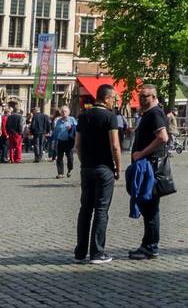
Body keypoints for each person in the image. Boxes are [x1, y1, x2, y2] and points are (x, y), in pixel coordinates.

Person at [75, 86, 122, 264]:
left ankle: (80, 252)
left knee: (85, 209)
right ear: (107, 98)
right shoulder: (110, 117)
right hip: (104, 168)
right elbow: (115, 146)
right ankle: (97, 252)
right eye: (113, 99)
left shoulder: (83, 116)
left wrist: (83, 162)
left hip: (86, 168)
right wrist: (118, 167)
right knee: (101, 210)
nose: (114, 102)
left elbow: (77, 145)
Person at [128, 85, 170, 260]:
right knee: (148, 206)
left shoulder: (155, 114)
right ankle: (147, 244)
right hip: (147, 165)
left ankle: (151, 247)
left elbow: (163, 137)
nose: (141, 99)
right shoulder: (149, 114)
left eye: (145, 96)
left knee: (151, 207)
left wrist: (141, 153)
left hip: (151, 167)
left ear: (153, 97)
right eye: (140, 96)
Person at [54, 105, 78, 178]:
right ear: (60, 113)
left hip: (69, 142)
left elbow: (77, 129)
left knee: (70, 157)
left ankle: (70, 169)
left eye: (65, 111)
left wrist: (72, 128)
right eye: (62, 112)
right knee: (59, 158)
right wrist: (54, 141)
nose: (64, 113)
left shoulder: (72, 119)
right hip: (60, 141)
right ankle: (60, 173)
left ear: (68, 112)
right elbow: (56, 131)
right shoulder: (58, 121)